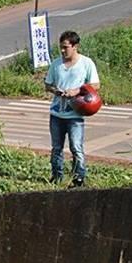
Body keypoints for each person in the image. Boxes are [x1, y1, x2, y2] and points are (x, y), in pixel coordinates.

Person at [44, 30, 100, 188]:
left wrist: (77, 90)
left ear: (75, 47)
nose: (62, 51)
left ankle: (79, 177)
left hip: (75, 114)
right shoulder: (56, 64)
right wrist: (56, 91)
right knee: (56, 147)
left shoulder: (86, 63)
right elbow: (48, 84)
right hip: (56, 113)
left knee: (76, 147)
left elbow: (96, 84)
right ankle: (56, 176)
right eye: (61, 47)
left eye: (66, 47)